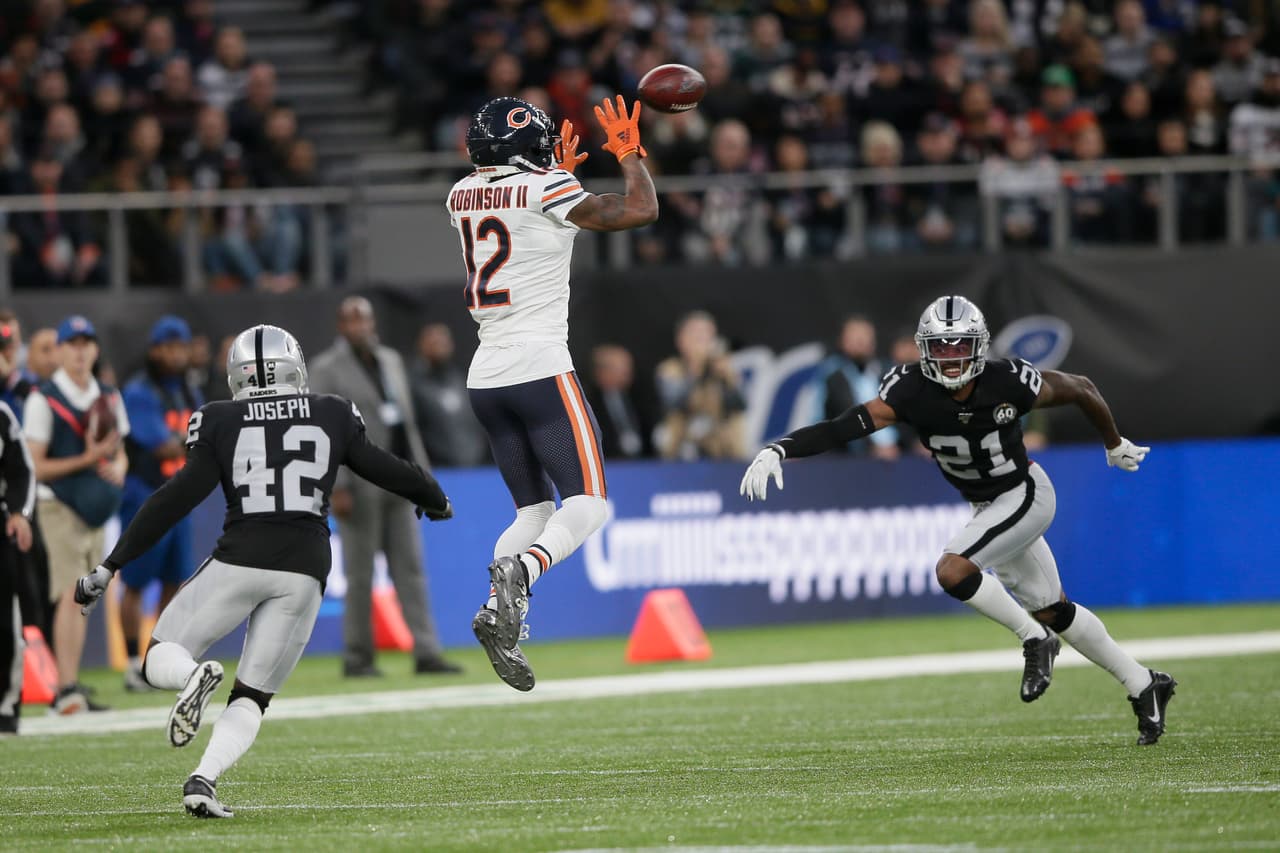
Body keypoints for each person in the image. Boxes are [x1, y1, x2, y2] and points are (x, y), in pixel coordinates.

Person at [740, 295, 1176, 747]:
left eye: (959, 346)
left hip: (1025, 493)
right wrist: (780, 448)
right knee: (1054, 608)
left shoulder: (1006, 379)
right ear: (925, 350)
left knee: (953, 570)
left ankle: (1034, 640)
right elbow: (844, 426)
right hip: (987, 506)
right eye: (941, 347)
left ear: (979, 346)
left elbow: (1082, 387)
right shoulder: (910, 390)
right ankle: (1145, 684)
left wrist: (1113, 442)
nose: (950, 358)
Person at [74, 325, 453, 817]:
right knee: (252, 695)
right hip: (305, 567)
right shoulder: (332, 410)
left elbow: (176, 498)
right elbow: (378, 465)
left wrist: (109, 566)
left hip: (242, 554)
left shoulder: (217, 419)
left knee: (157, 657)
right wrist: (432, 494)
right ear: (294, 366)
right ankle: (202, 781)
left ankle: (191, 676)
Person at [449, 95, 658, 690]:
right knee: (590, 505)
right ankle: (524, 569)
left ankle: (497, 608)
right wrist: (629, 152)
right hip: (540, 367)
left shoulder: (459, 195)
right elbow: (640, 209)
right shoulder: (545, 190)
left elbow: (522, 216)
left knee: (532, 510)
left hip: (485, 376)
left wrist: (559, 176)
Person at [310, 298, 460, 678]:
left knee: (411, 569)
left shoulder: (391, 360)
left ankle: (427, 651)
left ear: (372, 322)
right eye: (351, 320)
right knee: (360, 575)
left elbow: (406, 424)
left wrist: (422, 479)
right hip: (358, 483)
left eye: (364, 319)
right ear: (340, 326)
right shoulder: (326, 369)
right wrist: (336, 484)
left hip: (398, 477)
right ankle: (358, 656)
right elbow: (324, 432)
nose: (359, 326)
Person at [23, 316, 129, 715]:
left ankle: (70, 684)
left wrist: (118, 466)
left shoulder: (107, 395)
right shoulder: (44, 398)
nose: (81, 350)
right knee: (70, 594)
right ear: (62, 350)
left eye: (87, 342)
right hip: (60, 507)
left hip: (96, 513)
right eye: (73, 343)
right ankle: (64, 688)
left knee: (84, 600)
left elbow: (120, 450)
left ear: (95, 349)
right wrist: (88, 459)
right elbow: (35, 465)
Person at [118, 316, 204, 691]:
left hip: (179, 496)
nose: (174, 354)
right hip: (146, 495)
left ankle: (158, 658)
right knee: (136, 583)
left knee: (175, 581)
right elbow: (163, 444)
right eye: (167, 347)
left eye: (180, 346)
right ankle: (133, 661)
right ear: (154, 350)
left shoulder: (189, 390)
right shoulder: (139, 391)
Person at [655, 311, 747, 461]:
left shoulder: (724, 367)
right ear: (681, 340)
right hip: (681, 451)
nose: (702, 342)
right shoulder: (670, 369)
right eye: (696, 336)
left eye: (707, 336)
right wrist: (697, 372)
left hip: (723, 452)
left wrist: (725, 378)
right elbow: (674, 403)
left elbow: (741, 404)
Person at [810, 316, 899, 460]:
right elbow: (818, 420)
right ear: (842, 342)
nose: (860, 342)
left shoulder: (889, 372)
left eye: (864, 337)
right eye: (854, 337)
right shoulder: (831, 376)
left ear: (873, 342)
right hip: (848, 460)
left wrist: (913, 443)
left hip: (902, 458)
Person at [0, 400, 35, 735]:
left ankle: (6, 704)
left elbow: (23, 470)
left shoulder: (2, 414)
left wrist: (17, 513)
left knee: (5, 622)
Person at [408, 323, 488, 468]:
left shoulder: (461, 380)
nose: (439, 347)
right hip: (436, 469)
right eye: (433, 342)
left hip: (474, 468)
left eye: (443, 342)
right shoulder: (412, 384)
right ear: (421, 345)